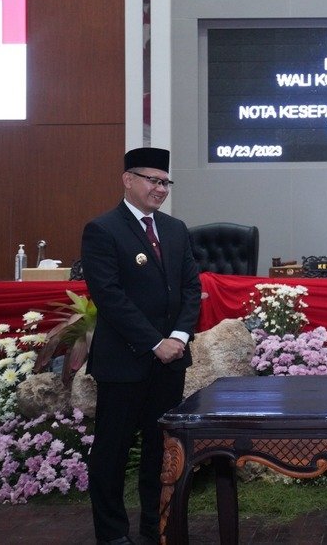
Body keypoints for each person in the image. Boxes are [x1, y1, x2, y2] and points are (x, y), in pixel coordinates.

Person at [82, 147, 201, 545]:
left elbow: (190, 289)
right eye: (151, 180)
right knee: (112, 455)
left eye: (165, 181)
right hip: (125, 363)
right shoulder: (102, 230)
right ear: (127, 180)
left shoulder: (175, 229)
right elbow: (110, 297)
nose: (160, 188)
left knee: (160, 452)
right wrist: (154, 342)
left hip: (169, 364)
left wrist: (179, 338)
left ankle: (156, 527)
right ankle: (113, 534)